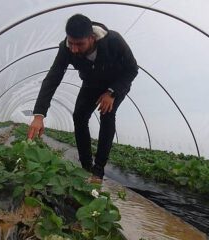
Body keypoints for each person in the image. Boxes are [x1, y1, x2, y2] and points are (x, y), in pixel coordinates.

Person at [28, 14, 138, 183]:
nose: (74, 49)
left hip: (116, 83)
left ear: (92, 38)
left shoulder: (113, 41)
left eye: (79, 44)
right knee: (79, 116)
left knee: (107, 115)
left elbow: (132, 69)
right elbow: (53, 78)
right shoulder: (65, 48)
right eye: (71, 43)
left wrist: (111, 92)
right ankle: (86, 167)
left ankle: (98, 172)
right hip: (91, 83)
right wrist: (38, 115)